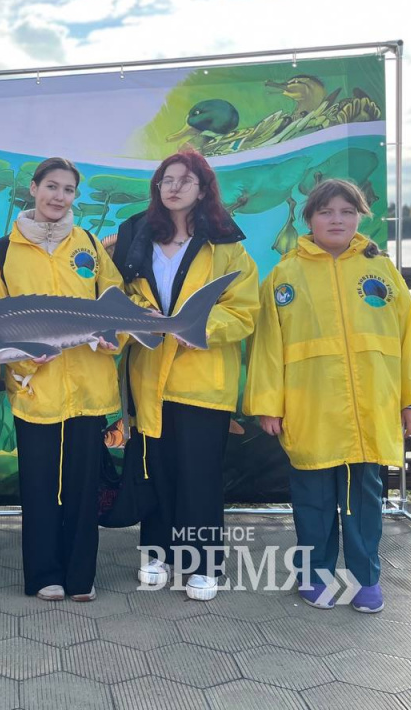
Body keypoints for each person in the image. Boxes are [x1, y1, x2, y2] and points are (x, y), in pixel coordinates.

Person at [245, 178, 411, 613]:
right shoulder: (284, 276)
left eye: (347, 212)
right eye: (327, 211)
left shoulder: (381, 272)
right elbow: (267, 347)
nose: (337, 219)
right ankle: (315, 577)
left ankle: (365, 579)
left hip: (368, 414)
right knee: (312, 503)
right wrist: (267, 404)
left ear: (359, 218)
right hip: (309, 413)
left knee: (363, 504)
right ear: (309, 219)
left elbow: (410, 338)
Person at [112, 149, 259, 601]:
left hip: (203, 378)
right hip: (149, 375)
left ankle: (203, 563)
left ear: (203, 189)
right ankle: (157, 554)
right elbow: (117, 294)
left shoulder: (227, 246)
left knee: (199, 475)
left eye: (185, 180)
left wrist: (203, 329)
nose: (173, 187)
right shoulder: (137, 238)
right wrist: (143, 315)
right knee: (154, 469)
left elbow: (244, 310)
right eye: (166, 179)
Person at [0, 157, 124, 602]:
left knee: (84, 488)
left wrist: (112, 335)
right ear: (34, 188)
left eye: (67, 190)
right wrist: (26, 363)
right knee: (40, 487)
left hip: (87, 388)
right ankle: (43, 574)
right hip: (35, 391)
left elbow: (114, 300)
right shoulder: (4, 250)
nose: (58, 196)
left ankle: (81, 576)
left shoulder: (89, 246)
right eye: (51, 186)